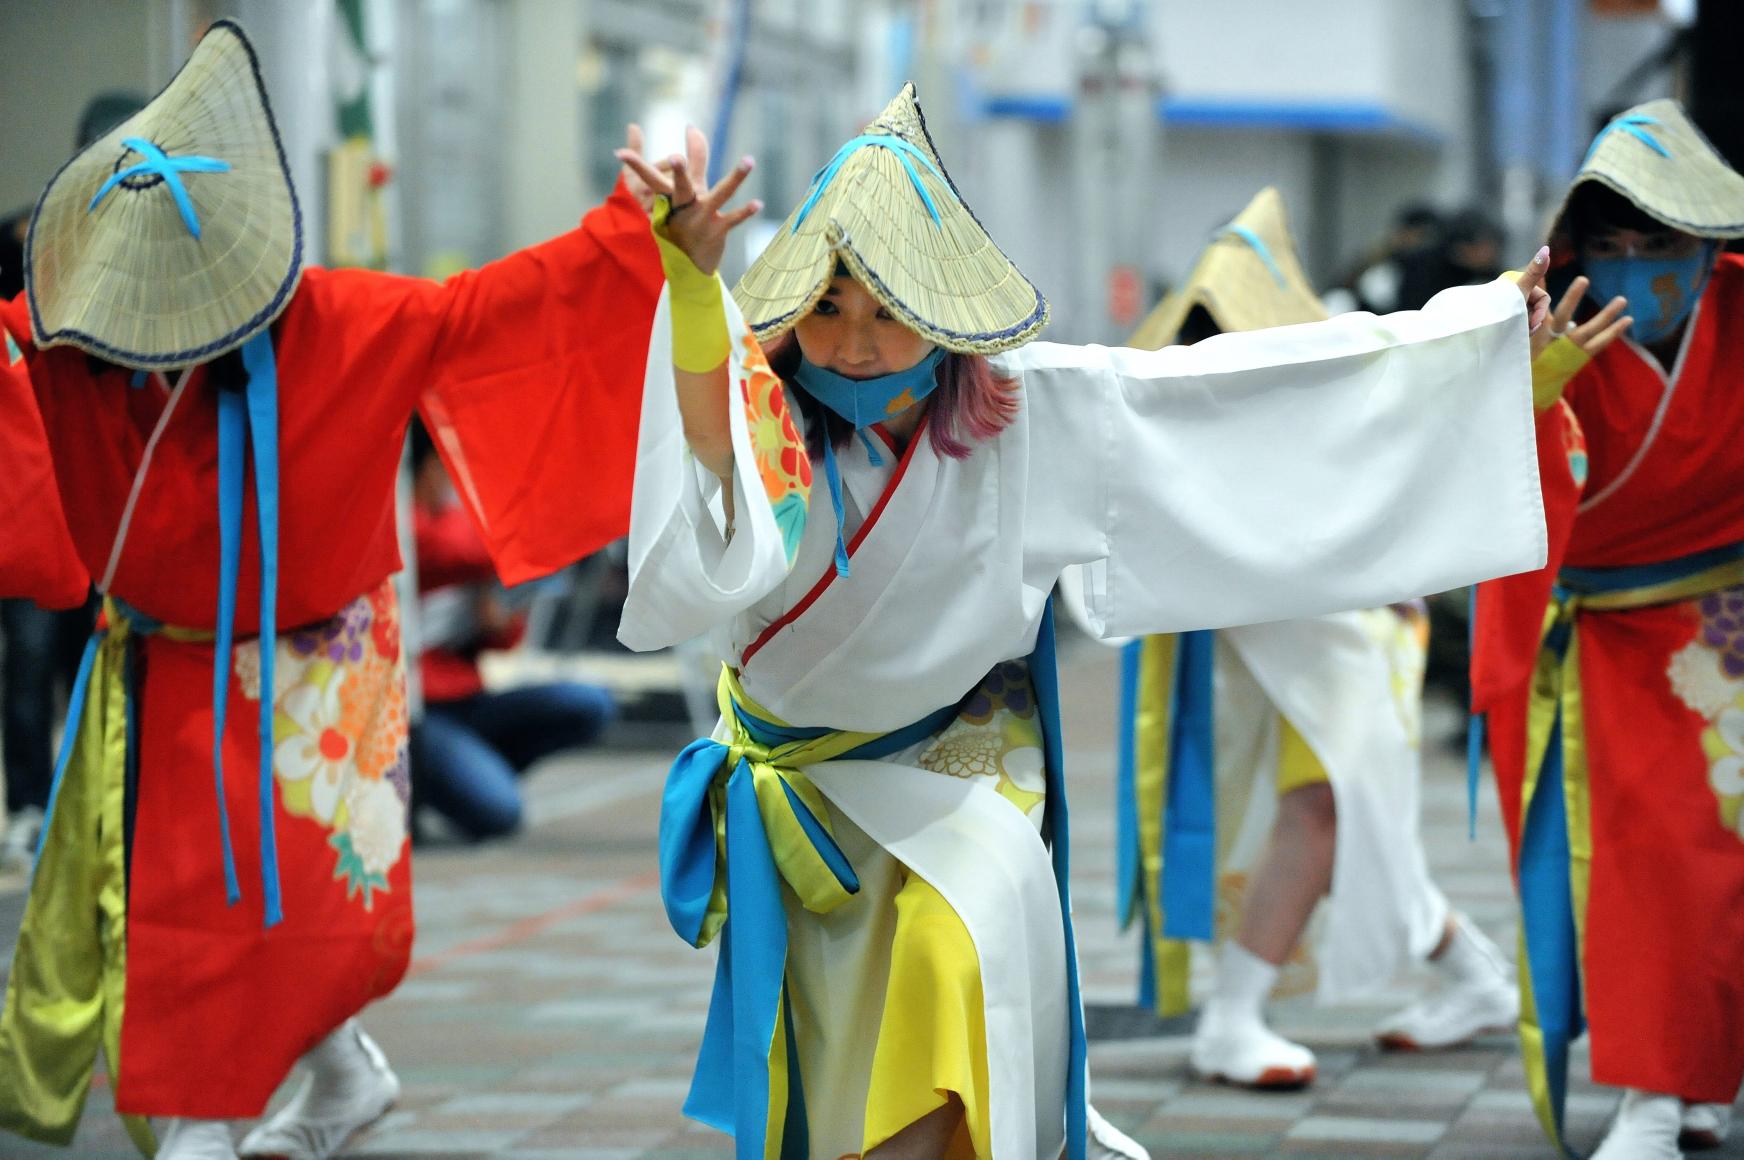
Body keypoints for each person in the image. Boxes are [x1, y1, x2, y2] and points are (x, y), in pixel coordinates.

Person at [615, 84, 1554, 1158]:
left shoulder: (1037, 416)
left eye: (886, 310)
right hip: (806, 797)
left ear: (945, 316)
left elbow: (1241, 394)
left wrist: (1472, 342)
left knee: (954, 972)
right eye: (827, 310)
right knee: (834, 1078)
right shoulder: (770, 420)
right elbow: (706, 440)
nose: (857, 343)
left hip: (954, 780)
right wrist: (693, 283)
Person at [0, 22, 663, 1160]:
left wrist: (632, 236)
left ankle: (304, 1081)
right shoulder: (60, 337)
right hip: (163, 654)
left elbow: (496, 308)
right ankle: (226, 1108)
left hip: (320, 650)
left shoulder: (344, 321)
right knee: (185, 902)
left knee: (298, 903)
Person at [1099, 188, 1542, 1091]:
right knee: (1347, 813)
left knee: (1332, 808)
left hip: (1353, 631)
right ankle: (1471, 975)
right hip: (1298, 634)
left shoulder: (1319, 379)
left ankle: (1235, 1015)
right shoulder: (1178, 401)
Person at [1472, 98, 1744, 1159]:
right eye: (1610, 246)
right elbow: (1483, 483)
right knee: (1642, 860)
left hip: (1727, 624)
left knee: (1720, 870)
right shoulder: (1529, 330)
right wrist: (1532, 387)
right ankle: (1648, 1090)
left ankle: (1698, 1076)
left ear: (1704, 245)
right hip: (1607, 641)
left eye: (1659, 245)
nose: (1634, 269)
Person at [0, 91, 140, 863]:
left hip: (115, 485)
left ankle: (97, 804)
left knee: (102, 650)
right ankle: (27, 800)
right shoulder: (25, 235)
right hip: (34, 476)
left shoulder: (157, 248)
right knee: (29, 651)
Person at [407, 424, 617, 840]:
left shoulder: (459, 528)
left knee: (589, 702)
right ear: (428, 467)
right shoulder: (406, 526)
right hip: (415, 712)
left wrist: (499, 615)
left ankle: (464, 773)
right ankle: (439, 785)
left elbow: (502, 640)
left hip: (465, 698)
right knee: (499, 813)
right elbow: (449, 548)